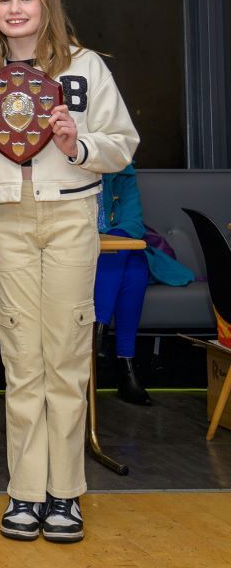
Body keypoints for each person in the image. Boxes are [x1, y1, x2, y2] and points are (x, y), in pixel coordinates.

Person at [0, 0, 138, 543]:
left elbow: (122, 146)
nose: (15, 9)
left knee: (63, 355)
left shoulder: (84, 68)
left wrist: (75, 141)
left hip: (71, 216)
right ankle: (25, 492)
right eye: (5, 0)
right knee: (20, 355)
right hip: (11, 219)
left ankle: (65, 493)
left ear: (47, 5)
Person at [94, 163, 193, 406]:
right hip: (76, 255)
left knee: (133, 262)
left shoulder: (121, 170)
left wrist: (113, 242)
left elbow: (134, 223)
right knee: (132, 264)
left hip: (115, 253)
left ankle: (95, 339)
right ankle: (125, 366)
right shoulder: (65, 171)